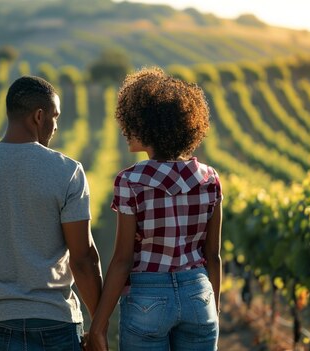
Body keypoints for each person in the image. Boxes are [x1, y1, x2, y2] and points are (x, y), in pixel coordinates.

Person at [0, 76, 103, 351]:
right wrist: (99, 324)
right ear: (39, 116)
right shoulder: (68, 172)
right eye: (54, 117)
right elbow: (83, 258)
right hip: (57, 321)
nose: (55, 127)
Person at [87, 67, 223, 351]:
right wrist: (214, 309)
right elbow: (213, 255)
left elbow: (123, 260)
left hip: (148, 296)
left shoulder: (131, 181)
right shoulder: (209, 179)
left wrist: (98, 326)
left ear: (147, 126)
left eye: (131, 124)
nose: (126, 132)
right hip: (198, 293)